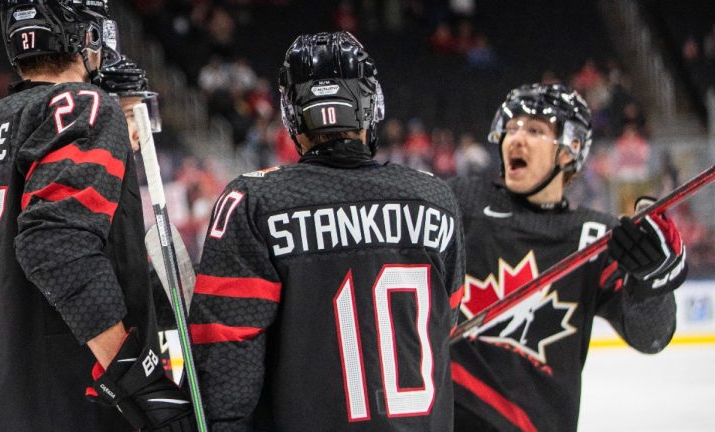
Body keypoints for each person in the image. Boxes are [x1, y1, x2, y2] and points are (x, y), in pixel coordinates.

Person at [190, 31, 465, 431]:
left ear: (293, 115)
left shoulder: (254, 202)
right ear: (371, 105)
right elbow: (447, 315)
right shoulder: (434, 199)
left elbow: (225, 365)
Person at [0, 1, 193, 431]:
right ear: (89, 36)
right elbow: (56, 245)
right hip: (57, 398)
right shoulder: (83, 103)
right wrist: (138, 377)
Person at [448, 83, 687, 432]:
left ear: (570, 149)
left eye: (534, 130)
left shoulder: (594, 236)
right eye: (511, 127)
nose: (516, 138)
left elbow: (651, 337)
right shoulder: (460, 201)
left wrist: (651, 281)